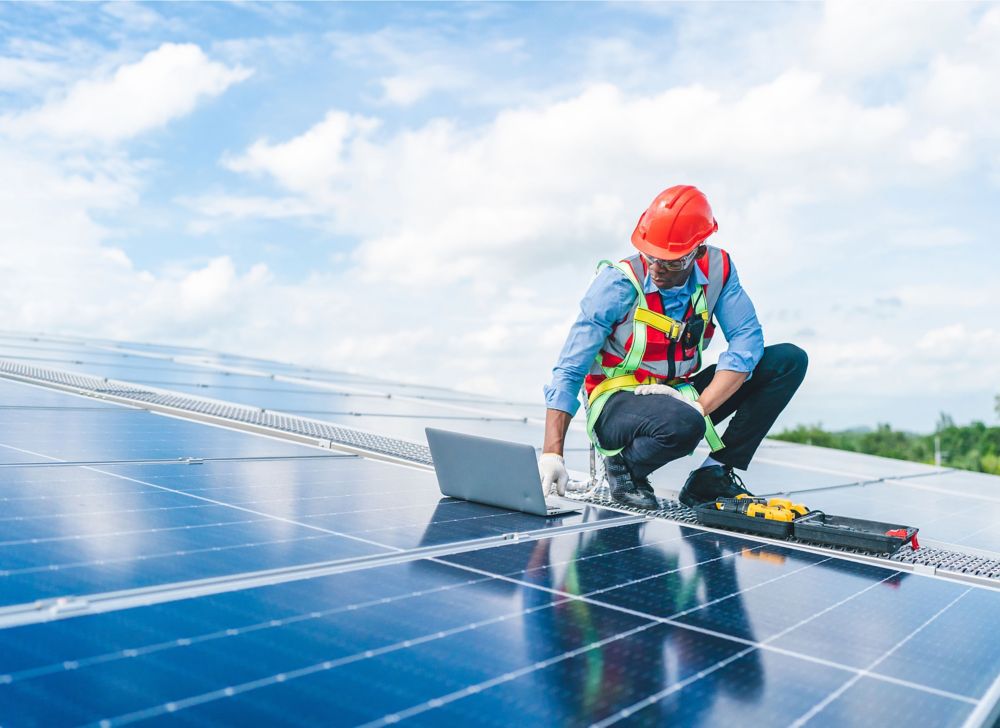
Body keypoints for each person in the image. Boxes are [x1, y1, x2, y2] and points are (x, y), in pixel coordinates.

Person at [538, 185, 807, 509]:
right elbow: (570, 367)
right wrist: (553, 451)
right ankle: (624, 469)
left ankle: (713, 475)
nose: (656, 269)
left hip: (677, 393)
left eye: (670, 262)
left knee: (787, 361)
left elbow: (747, 340)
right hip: (615, 402)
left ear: (698, 250)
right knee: (683, 423)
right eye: (650, 257)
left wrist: (701, 405)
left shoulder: (718, 271)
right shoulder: (616, 284)